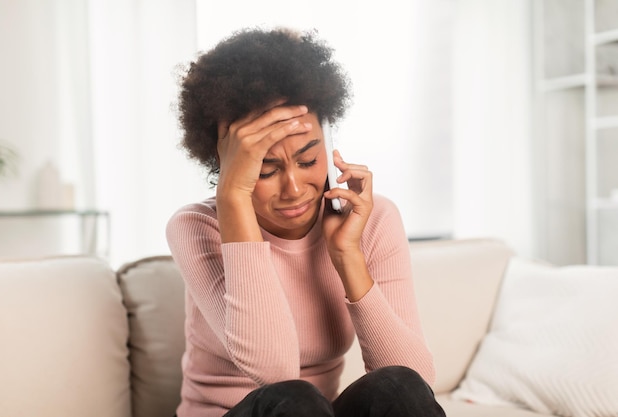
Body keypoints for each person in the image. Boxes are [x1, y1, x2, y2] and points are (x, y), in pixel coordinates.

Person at [167, 27, 446, 417]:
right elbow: (276, 372)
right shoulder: (196, 227)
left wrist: (348, 255)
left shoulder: (373, 218)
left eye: (308, 160)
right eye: (265, 170)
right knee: (295, 399)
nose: (295, 188)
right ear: (228, 165)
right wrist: (233, 200)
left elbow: (415, 382)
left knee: (396, 387)